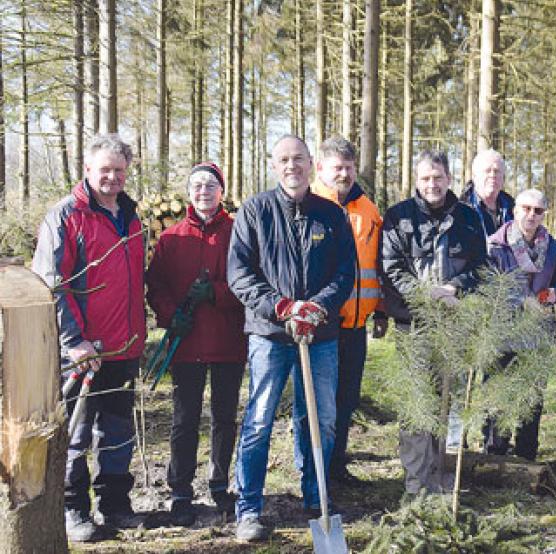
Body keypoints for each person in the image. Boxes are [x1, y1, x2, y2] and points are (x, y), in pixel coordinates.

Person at [227, 135, 356, 541]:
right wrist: (283, 307)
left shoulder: (330, 215)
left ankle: (316, 497)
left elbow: (344, 272)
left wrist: (315, 308)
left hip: (321, 335)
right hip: (270, 335)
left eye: (298, 159)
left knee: (321, 419)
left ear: (311, 164)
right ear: (273, 165)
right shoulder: (255, 211)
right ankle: (248, 507)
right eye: (283, 159)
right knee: (260, 418)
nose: (291, 166)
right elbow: (239, 274)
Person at [33, 134, 146, 542]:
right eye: (105, 170)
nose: (112, 177)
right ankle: (73, 509)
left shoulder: (131, 217)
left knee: (117, 431)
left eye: (119, 170)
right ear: (87, 169)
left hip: (123, 346)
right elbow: (53, 283)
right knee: (77, 433)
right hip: (82, 350)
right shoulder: (65, 216)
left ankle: (115, 504)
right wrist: (74, 341)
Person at [379, 150, 488, 495]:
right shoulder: (398, 218)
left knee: (443, 401)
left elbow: (482, 268)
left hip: (454, 323)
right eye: (425, 178)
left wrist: (454, 288)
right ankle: (416, 484)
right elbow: (392, 268)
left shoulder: (469, 219)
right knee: (416, 404)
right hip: (413, 325)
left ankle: (439, 477)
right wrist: (427, 295)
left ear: (449, 179)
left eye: (438, 177)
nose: (432, 184)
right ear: (416, 180)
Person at [146, 162, 246, 526]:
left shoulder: (238, 233)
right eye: (197, 186)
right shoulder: (171, 238)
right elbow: (154, 285)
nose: (203, 192)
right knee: (185, 418)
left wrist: (217, 292)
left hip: (227, 340)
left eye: (210, 186)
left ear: (221, 191)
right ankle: (180, 490)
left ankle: (220, 484)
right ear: (189, 193)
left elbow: (250, 281)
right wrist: (172, 315)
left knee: (224, 417)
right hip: (185, 342)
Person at [311, 137, 388, 486]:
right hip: (323, 324)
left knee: (347, 398)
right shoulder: (310, 206)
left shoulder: (369, 211)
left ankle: (337, 465)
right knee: (319, 403)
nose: (343, 173)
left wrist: (381, 309)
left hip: (358, 323)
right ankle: (317, 469)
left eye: (348, 167)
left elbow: (378, 265)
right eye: (336, 167)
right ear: (321, 168)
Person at [485, 188, 556, 460]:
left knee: (533, 395)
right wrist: (521, 301)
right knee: (500, 393)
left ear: (544, 214)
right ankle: (496, 453)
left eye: (538, 210)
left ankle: (527, 453)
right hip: (504, 330)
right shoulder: (495, 245)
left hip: (538, 332)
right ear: (514, 210)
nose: (531, 215)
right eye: (526, 208)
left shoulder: (553, 247)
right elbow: (488, 288)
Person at [461, 149, 515, 236]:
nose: (492, 175)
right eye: (487, 171)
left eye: (497, 171)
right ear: (474, 176)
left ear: (503, 177)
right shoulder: (460, 211)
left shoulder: (514, 211)